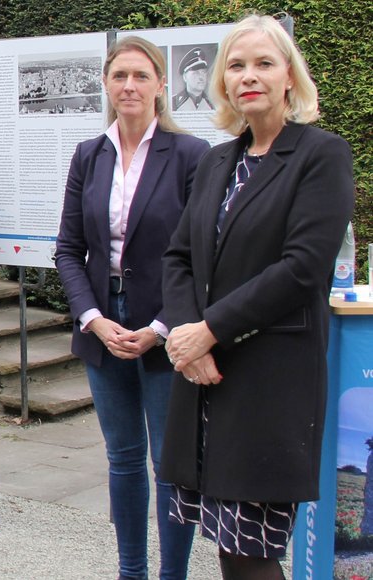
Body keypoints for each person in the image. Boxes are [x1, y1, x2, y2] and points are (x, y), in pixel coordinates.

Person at [160, 14, 354, 578]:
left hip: (268, 382)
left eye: (264, 64)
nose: (250, 76)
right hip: (205, 378)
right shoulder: (218, 160)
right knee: (226, 545)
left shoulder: (322, 154)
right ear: (223, 82)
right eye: (237, 66)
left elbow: (302, 269)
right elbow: (178, 258)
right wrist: (186, 337)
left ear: (289, 76)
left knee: (252, 554)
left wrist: (208, 330)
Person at [54, 36, 208, 580]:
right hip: (104, 321)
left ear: (161, 85)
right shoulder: (88, 155)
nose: (129, 86)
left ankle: (172, 576)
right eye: (119, 76)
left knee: (168, 463)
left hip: (170, 323)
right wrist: (93, 320)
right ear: (106, 83)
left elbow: (201, 255)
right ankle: (131, 572)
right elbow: (69, 249)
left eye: (141, 76)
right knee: (122, 459)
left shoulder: (191, 156)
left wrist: (162, 327)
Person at [172, 47, 213, 111]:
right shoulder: (173, 103)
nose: (201, 77)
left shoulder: (213, 104)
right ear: (185, 77)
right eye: (196, 73)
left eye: (203, 72)